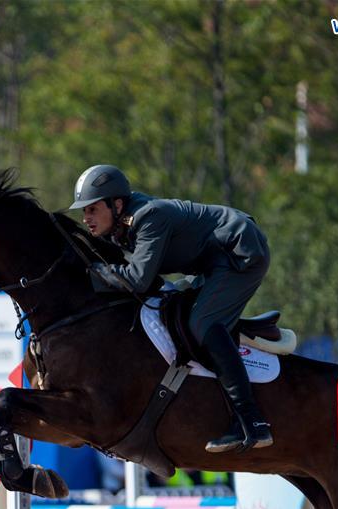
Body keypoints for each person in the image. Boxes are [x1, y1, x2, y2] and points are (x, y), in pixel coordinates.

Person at [70, 164, 272, 453]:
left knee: (201, 324)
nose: (85, 217)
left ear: (116, 204)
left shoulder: (148, 216)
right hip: (213, 262)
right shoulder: (117, 226)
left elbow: (138, 279)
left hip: (239, 251)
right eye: (84, 211)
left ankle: (252, 423)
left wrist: (89, 274)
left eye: (91, 209)